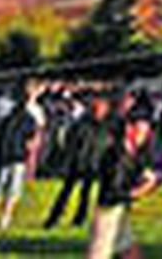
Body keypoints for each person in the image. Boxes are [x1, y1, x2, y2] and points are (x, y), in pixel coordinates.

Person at [87, 108, 161, 259]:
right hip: (108, 215)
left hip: (120, 213)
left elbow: (138, 169)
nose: (144, 137)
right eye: (141, 132)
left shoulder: (132, 153)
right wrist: (143, 189)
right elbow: (114, 192)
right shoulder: (115, 156)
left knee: (132, 254)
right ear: (129, 129)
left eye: (146, 133)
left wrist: (148, 176)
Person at [45, 92, 114, 228]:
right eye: (96, 108)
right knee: (67, 191)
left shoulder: (106, 127)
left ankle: (79, 218)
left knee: (85, 193)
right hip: (78, 163)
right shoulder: (83, 124)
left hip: (92, 164)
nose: (98, 111)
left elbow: (106, 146)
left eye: (100, 108)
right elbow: (71, 141)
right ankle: (54, 217)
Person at [0, 87, 41, 231]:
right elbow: (31, 141)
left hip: (4, 157)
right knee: (11, 192)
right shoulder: (29, 119)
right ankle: (4, 218)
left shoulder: (6, 118)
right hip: (17, 158)